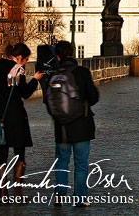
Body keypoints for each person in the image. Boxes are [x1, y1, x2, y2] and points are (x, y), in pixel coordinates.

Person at [0, 43, 43, 199]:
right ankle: (18, 193)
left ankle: (3, 193)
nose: (24, 63)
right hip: (16, 117)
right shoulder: (18, 70)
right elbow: (25, 93)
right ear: (18, 57)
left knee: (1, 156)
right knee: (19, 155)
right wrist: (35, 79)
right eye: (25, 60)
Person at [48, 41, 99, 207]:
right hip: (81, 125)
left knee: (62, 161)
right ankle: (80, 198)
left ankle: (59, 195)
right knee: (81, 164)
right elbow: (93, 97)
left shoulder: (53, 74)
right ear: (73, 53)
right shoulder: (82, 72)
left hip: (61, 127)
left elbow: (48, 102)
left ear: (57, 56)